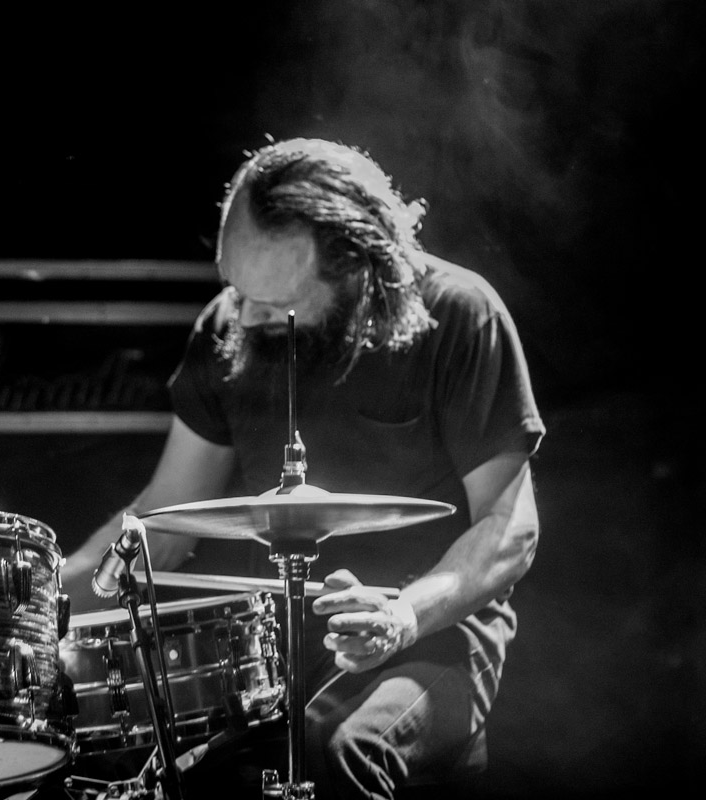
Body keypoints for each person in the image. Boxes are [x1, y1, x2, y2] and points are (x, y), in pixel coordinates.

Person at [58, 138, 544, 799]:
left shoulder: (460, 314)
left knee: (334, 749)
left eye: (273, 299)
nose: (244, 314)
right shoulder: (230, 323)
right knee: (163, 773)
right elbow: (165, 516)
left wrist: (402, 615)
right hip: (274, 645)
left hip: (433, 636)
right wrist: (27, 610)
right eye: (234, 287)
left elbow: (509, 528)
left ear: (351, 261)